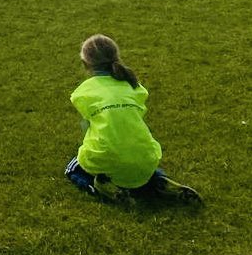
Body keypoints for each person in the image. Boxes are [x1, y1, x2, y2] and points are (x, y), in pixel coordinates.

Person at [65, 34, 200, 203]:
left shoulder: (83, 92)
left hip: (106, 156)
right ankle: (159, 181)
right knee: (142, 169)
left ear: (86, 64)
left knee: (73, 169)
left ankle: (101, 188)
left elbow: (88, 126)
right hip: (146, 156)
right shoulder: (134, 86)